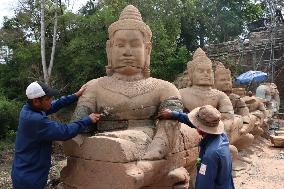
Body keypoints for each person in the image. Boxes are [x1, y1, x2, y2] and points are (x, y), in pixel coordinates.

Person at [11, 81, 101, 189]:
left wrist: (75, 96)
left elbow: (53, 105)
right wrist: (87, 120)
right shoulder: (35, 120)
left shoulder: (29, 109)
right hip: (29, 179)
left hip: (26, 172)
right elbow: (64, 132)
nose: (50, 102)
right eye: (47, 99)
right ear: (36, 101)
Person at [157, 105, 235, 189]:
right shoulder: (222, 135)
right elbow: (192, 121)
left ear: (199, 128)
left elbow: (204, 185)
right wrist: (174, 114)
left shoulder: (210, 155)